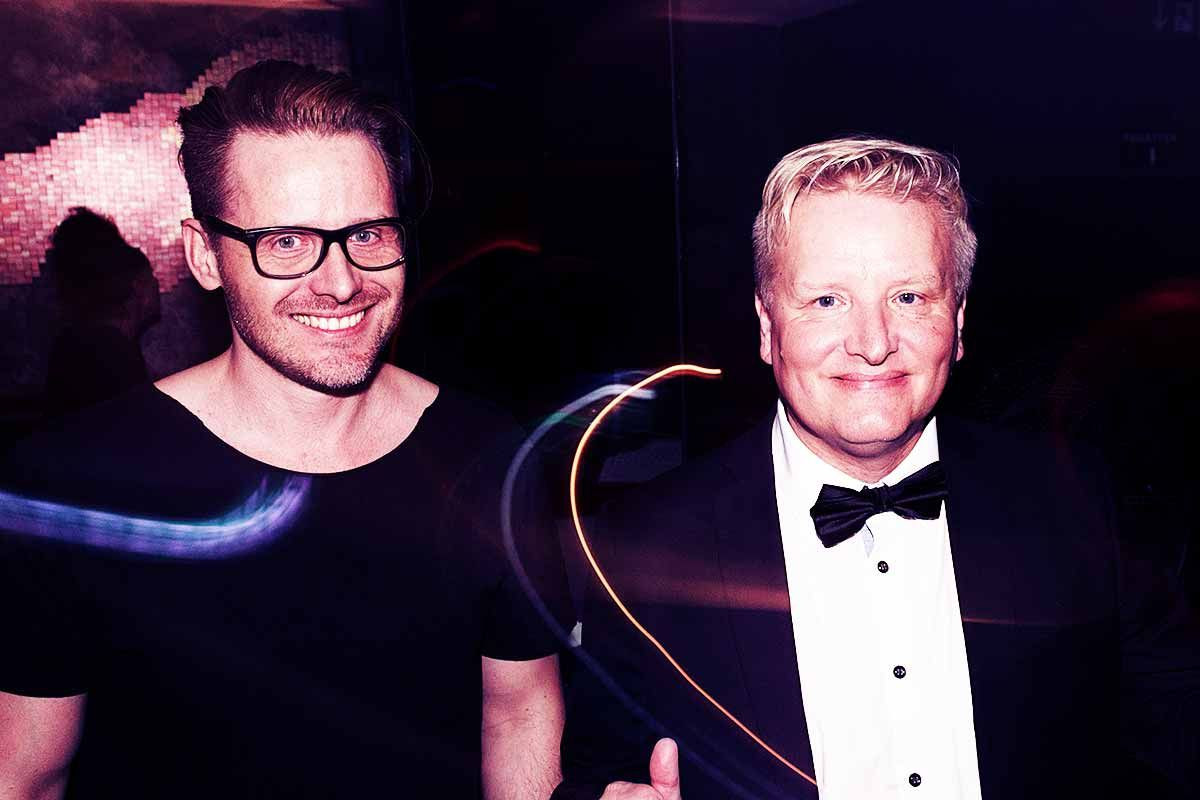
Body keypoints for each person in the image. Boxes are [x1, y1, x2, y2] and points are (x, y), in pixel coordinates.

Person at [554, 137, 1199, 799]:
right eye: (827, 301)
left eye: (910, 297)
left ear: (959, 320)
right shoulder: (639, 546)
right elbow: (596, 769)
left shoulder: (1073, 499)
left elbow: (1176, 731)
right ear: (767, 326)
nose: (873, 343)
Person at [0, 60, 571, 799]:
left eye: (368, 233)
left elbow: (519, 712)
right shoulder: (71, 481)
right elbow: (24, 776)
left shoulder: (491, 459)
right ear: (206, 256)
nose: (341, 282)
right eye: (287, 242)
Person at [43, 207, 161, 418]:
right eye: (151, 276)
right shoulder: (112, 355)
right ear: (138, 286)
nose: (157, 284)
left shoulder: (78, 344)